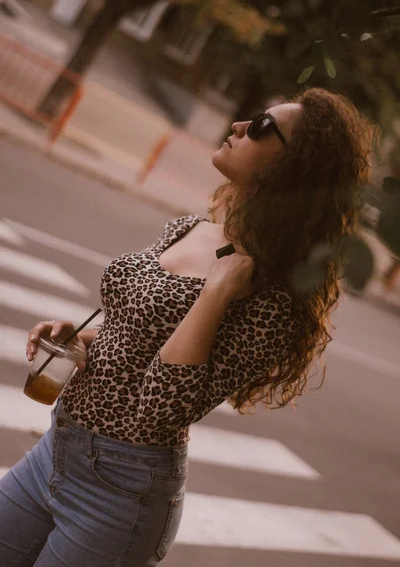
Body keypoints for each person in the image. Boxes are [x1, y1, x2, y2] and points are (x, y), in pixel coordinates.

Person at [0, 88, 378, 566]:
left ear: (296, 169)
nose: (241, 126)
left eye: (263, 127)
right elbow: (138, 334)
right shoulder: (189, 228)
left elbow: (161, 408)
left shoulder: (275, 294)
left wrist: (216, 295)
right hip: (56, 451)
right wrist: (80, 337)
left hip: (119, 494)